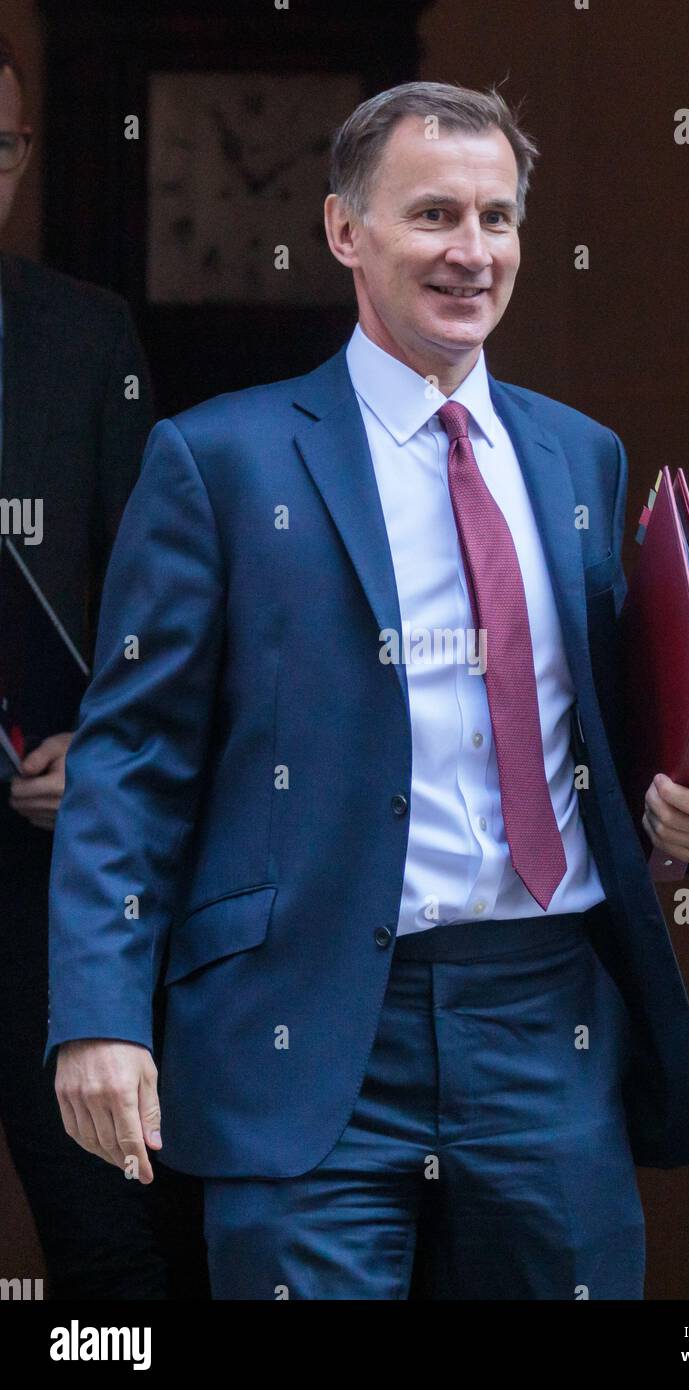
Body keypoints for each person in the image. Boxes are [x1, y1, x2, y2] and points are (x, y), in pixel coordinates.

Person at [46, 81, 689, 1300]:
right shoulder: (219, 461)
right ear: (342, 232)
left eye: (496, 218)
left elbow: (624, 725)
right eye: (433, 214)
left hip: (545, 1015)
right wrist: (98, 1013)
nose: (470, 253)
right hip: (307, 1020)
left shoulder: (577, 455)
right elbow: (132, 757)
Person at [0, 30, 206, 1299]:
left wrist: (111, 745)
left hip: (51, 876)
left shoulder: (83, 337)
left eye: (1, 143)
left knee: (111, 1246)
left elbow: (158, 615)